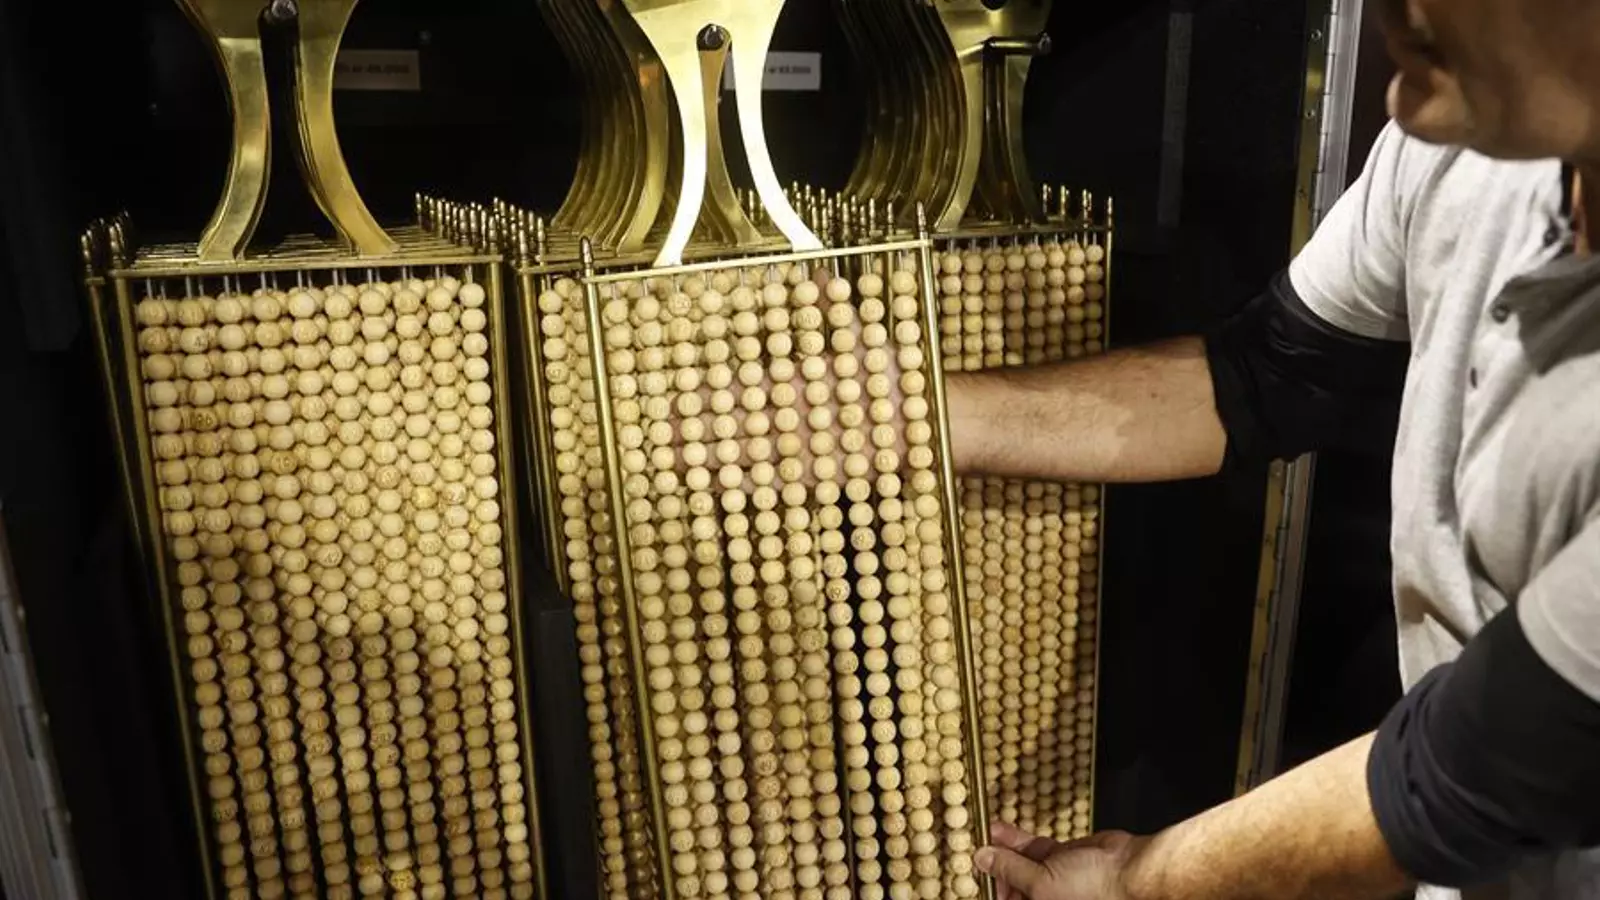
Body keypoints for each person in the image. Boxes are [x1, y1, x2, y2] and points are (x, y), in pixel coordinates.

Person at [953, 0, 1600, 897]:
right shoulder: (1466, 144)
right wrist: (932, 419)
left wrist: (1136, 881)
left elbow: (1465, 776)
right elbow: (1264, 379)